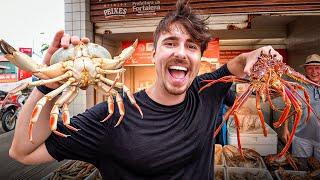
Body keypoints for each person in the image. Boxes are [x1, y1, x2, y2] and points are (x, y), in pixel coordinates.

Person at [9, 1, 282, 179]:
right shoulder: (111, 116)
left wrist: (258, 54)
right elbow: (22, 151)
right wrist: (49, 81)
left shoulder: (207, 91)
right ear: (154, 53)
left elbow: (238, 63)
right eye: (170, 43)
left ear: (199, 58)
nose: (181, 53)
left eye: (191, 46)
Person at [273, 54, 320, 160]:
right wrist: (285, 129)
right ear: (305, 70)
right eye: (310, 68)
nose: (314, 72)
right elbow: (289, 107)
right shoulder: (296, 86)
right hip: (301, 136)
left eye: (317, 68)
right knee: (301, 167)